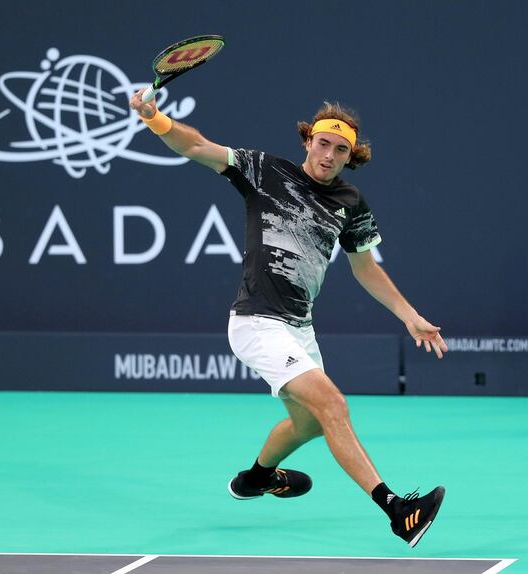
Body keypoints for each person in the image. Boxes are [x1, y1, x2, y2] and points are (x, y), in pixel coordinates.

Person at [129, 89, 449, 548]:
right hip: (257, 322)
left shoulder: (349, 201)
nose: (329, 154)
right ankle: (398, 511)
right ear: (308, 141)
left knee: (310, 424)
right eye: (323, 143)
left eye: (341, 149)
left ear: (349, 156)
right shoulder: (264, 171)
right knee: (334, 406)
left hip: (300, 328)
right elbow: (196, 146)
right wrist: (154, 117)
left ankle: (257, 478)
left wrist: (409, 315)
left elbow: (365, 267)